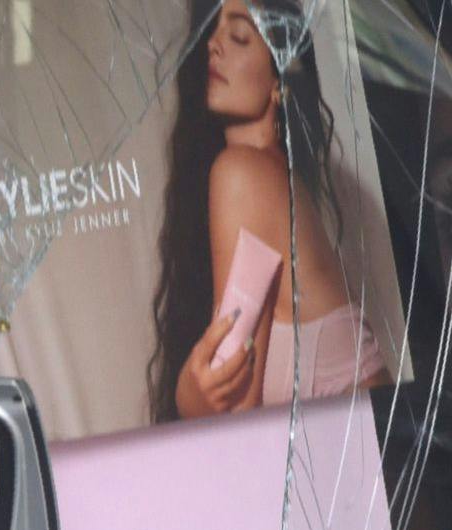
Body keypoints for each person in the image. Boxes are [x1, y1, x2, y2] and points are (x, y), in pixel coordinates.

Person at [148, 0, 392, 423]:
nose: (214, 46)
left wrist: (191, 399)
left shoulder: (242, 175)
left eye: (240, 35)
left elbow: (233, 407)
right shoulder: (280, 178)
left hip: (365, 470)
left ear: (281, 81)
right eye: (213, 30)